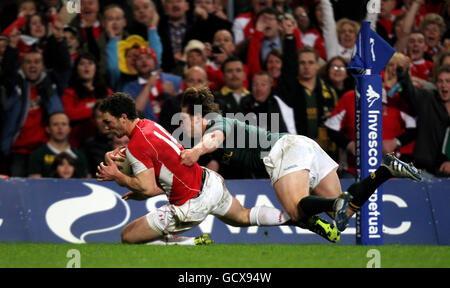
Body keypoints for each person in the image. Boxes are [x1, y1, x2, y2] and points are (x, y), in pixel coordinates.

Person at [179, 86, 423, 236]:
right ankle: (385, 170)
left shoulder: (216, 123)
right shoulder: (217, 132)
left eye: (183, 118)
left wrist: (195, 152)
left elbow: (215, 137)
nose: (181, 124)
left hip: (284, 150)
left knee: (296, 211)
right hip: (303, 146)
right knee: (343, 212)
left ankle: (331, 205)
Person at [95, 92, 320, 245]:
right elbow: (168, 176)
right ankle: (296, 218)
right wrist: (136, 186)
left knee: (128, 236)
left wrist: (118, 176)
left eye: (108, 122)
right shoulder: (149, 126)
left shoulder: (137, 145)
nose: (106, 128)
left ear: (123, 117)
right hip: (209, 182)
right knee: (242, 216)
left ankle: (193, 244)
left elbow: (144, 186)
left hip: (190, 202)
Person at [0, 49, 64, 177]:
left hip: (44, 150)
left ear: (42, 66)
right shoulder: (13, 86)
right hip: (18, 151)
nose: (33, 65)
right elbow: (6, 73)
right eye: (28, 62)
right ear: (22, 65)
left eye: (36, 62)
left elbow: (65, 67)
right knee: (17, 191)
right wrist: (12, 47)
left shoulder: (50, 86)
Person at [397, 64, 450, 177]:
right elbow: (409, 91)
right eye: (440, 81)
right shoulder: (428, 99)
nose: (444, 85)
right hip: (426, 172)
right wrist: (403, 72)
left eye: (448, 81)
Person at [62, 52, 113, 148]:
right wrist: (96, 106)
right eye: (82, 64)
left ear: (95, 68)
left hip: (106, 143)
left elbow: (115, 112)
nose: (86, 67)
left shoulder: (106, 91)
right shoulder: (69, 92)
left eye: (90, 63)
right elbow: (70, 114)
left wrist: (85, 107)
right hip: (78, 143)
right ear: (76, 69)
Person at [122, 46, 181, 121]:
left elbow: (188, 108)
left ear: (155, 62)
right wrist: (148, 86)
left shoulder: (174, 80)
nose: (144, 61)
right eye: (139, 59)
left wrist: (173, 93)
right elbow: (133, 113)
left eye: (148, 57)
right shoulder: (129, 88)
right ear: (135, 65)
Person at [28, 112, 89, 178]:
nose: (60, 128)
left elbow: (85, 181)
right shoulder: (38, 155)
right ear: (48, 129)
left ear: (69, 129)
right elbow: (34, 184)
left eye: (64, 124)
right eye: (55, 124)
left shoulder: (79, 155)